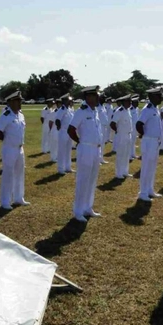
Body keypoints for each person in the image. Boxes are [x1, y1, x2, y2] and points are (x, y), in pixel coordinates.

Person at [68, 85, 103, 222]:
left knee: (92, 179)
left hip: (96, 149)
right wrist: (80, 141)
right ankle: (78, 210)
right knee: (83, 180)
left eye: (97, 96)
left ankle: (88, 207)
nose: (97, 98)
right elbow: (71, 129)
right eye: (94, 96)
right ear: (88, 97)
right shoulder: (81, 112)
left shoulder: (95, 111)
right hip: (86, 149)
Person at [0, 90, 29, 210]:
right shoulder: (6, 115)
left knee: (19, 173)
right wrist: (8, 141)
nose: (20, 103)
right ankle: (5, 201)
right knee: (8, 174)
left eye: (20, 101)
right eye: (17, 101)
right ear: (11, 102)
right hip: (9, 148)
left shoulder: (20, 115)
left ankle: (19, 198)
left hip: (20, 148)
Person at [136, 87, 163, 201]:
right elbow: (139, 124)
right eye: (159, 96)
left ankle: (149, 189)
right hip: (149, 141)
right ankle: (143, 192)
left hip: (155, 141)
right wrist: (144, 135)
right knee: (147, 167)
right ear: (152, 97)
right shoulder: (147, 109)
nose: (161, 98)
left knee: (152, 166)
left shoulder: (155, 108)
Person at [110, 95, 133, 179]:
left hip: (128, 134)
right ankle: (118, 173)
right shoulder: (119, 111)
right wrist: (117, 131)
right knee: (120, 155)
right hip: (121, 135)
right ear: (124, 102)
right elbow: (112, 123)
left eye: (130, 102)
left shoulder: (128, 110)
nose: (130, 103)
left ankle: (125, 171)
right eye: (128, 102)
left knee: (126, 154)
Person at [56, 94, 75, 174]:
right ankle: (61, 168)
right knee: (62, 151)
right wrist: (60, 128)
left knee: (68, 150)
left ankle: (68, 167)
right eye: (68, 100)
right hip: (63, 131)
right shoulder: (62, 109)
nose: (70, 101)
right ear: (64, 101)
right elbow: (57, 120)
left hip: (69, 132)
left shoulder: (70, 109)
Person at [97, 94, 110, 164]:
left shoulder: (103, 107)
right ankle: (98, 159)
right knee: (99, 143)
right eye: (103, 98)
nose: (104, 99)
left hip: (104, 127)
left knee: (103, 143)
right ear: (99, 99)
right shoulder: (97, 107)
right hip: (99, 127)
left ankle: (101, 158)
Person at [48, 99, 60, 163]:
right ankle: (53, 157)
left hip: (59, 131)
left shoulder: (62, 112)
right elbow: (50, 122)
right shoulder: (54, 113)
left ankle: (57, 157)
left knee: (58, 145)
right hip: (54, 130)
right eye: (59, 104)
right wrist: (51, 130)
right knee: (54, 145)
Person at [129, 94, 140, 160]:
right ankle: (129, 155)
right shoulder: (130, 109)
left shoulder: (137, 109)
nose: (138, 103)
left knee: (133, 142)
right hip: (131, 128)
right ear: (133, 102)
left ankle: (133, 154)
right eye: (137, 102)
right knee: (130, 142)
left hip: (135, 128)